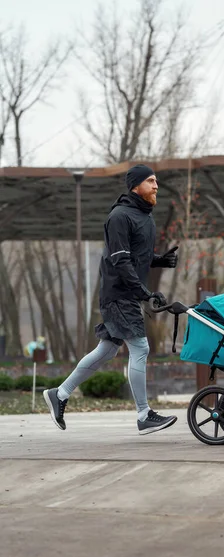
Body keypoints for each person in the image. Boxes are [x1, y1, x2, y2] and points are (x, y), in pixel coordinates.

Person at [43, 164, 178, 435]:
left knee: (107, 350)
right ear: (135, 185)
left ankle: (60, 393)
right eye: (150, 181)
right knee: (140, 348)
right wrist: (143, 292)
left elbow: (138, 255)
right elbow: (120, 259)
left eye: (156, 181)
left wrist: (160, 259)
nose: (156, 185)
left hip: (126, 294)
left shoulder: (144, 216)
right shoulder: (119, 216)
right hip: (118, 295)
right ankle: (144, 415)